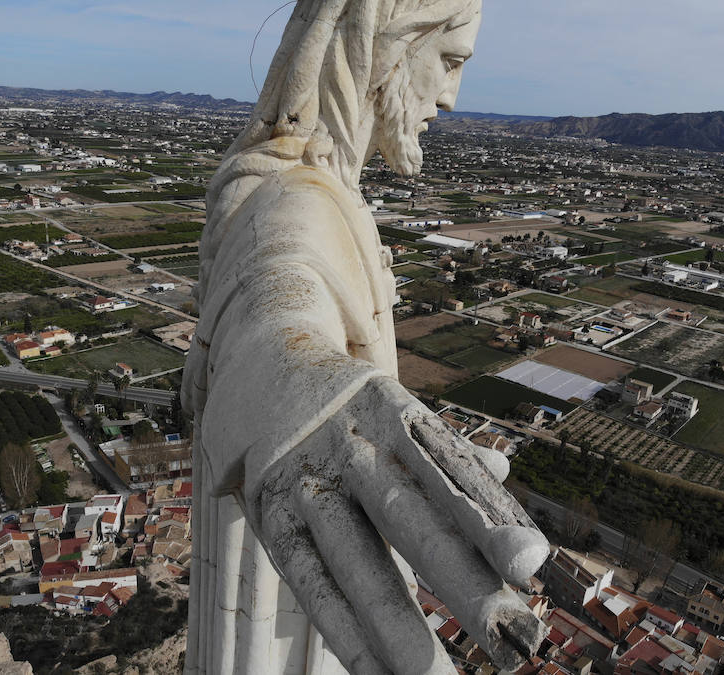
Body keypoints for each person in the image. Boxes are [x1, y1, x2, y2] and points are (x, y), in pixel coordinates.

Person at [182, 1, 550, 673]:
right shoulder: (296, 200)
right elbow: (274, 292)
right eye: (450, 60)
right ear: (379, 44)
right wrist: (294, 380)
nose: (451, 94)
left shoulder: (327, 189)